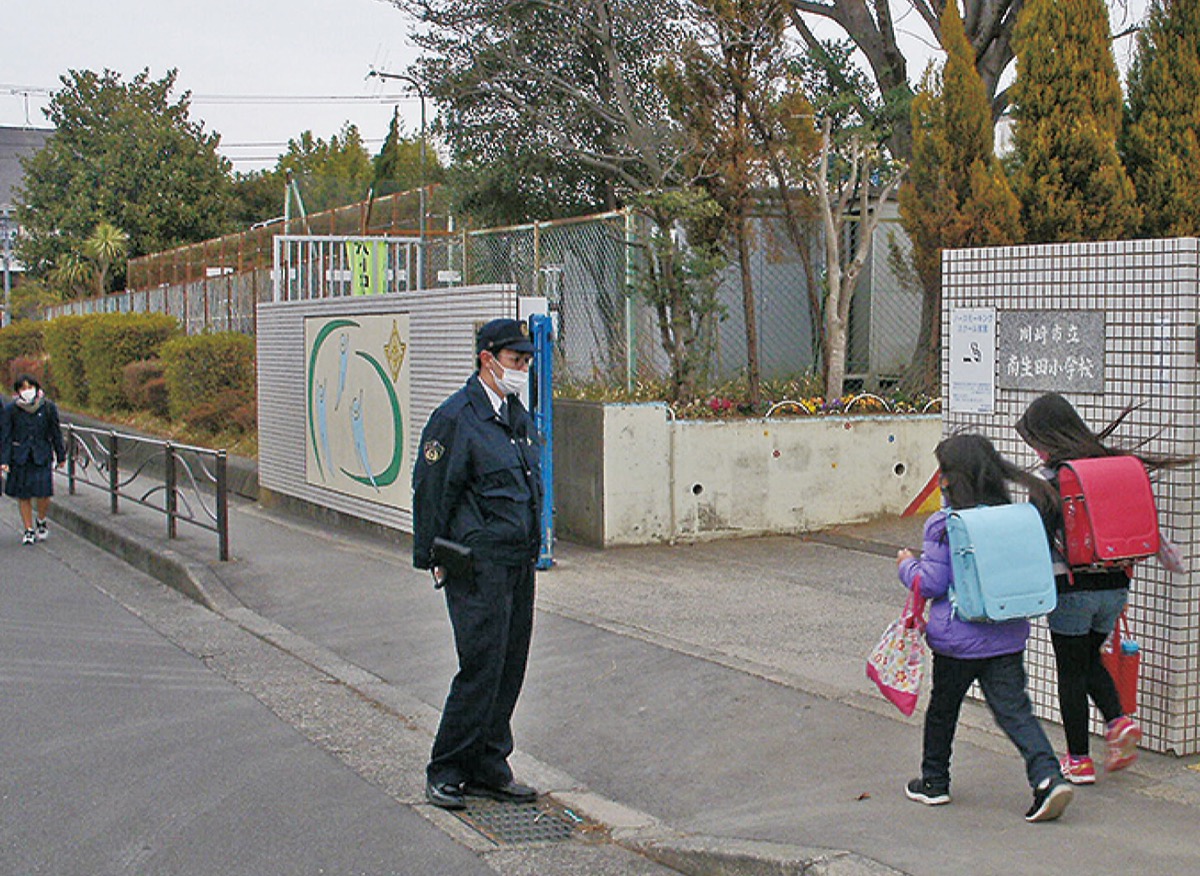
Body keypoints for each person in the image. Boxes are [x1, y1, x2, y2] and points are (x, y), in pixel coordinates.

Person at [1015, 392, 1191, 784]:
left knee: (1071, 672)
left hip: (1071, 590)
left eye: (1037, 441)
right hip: (1116, 588)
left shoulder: (1048, 481)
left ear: (1049, 437)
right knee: (1088, 659)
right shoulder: (1113, 468)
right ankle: (1117, 721)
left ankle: (1078, 759)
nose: (1037, 450)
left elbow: (1036, 541)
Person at [897, 433, 1073, 823]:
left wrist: (905, 564)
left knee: (943, 711)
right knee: (1016, 712)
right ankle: (1047, 776)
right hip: (1006, 636)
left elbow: (931, 583)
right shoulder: (1013, 516)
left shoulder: (944, 525)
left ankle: (934, 782)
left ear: (951, 478)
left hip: (956, 642)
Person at [411, 318, 543, 810]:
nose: (522, 369)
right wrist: (432, 556)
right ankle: (447, 767)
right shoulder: (456, 417)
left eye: (526, 361)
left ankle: (490, 765)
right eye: (515, 361)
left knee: (510, 666)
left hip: (516, 560)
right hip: (477, 563)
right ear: (487, 359)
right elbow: (430, 488)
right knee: (481, 666)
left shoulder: (514, 415)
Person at [1, 374, 66, 546]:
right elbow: (6, 436)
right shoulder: (11, 410)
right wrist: (4, 460)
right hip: (20, 456)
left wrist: (61, 455)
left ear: (37, 388)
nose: (27, 391)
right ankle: (28, 529)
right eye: (22, 388)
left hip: (41, 454)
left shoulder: (48, 407)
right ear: (17, 392)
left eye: (30, 387)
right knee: (24, 495)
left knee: (44, 493)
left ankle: (41, 520)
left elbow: (55, 432)